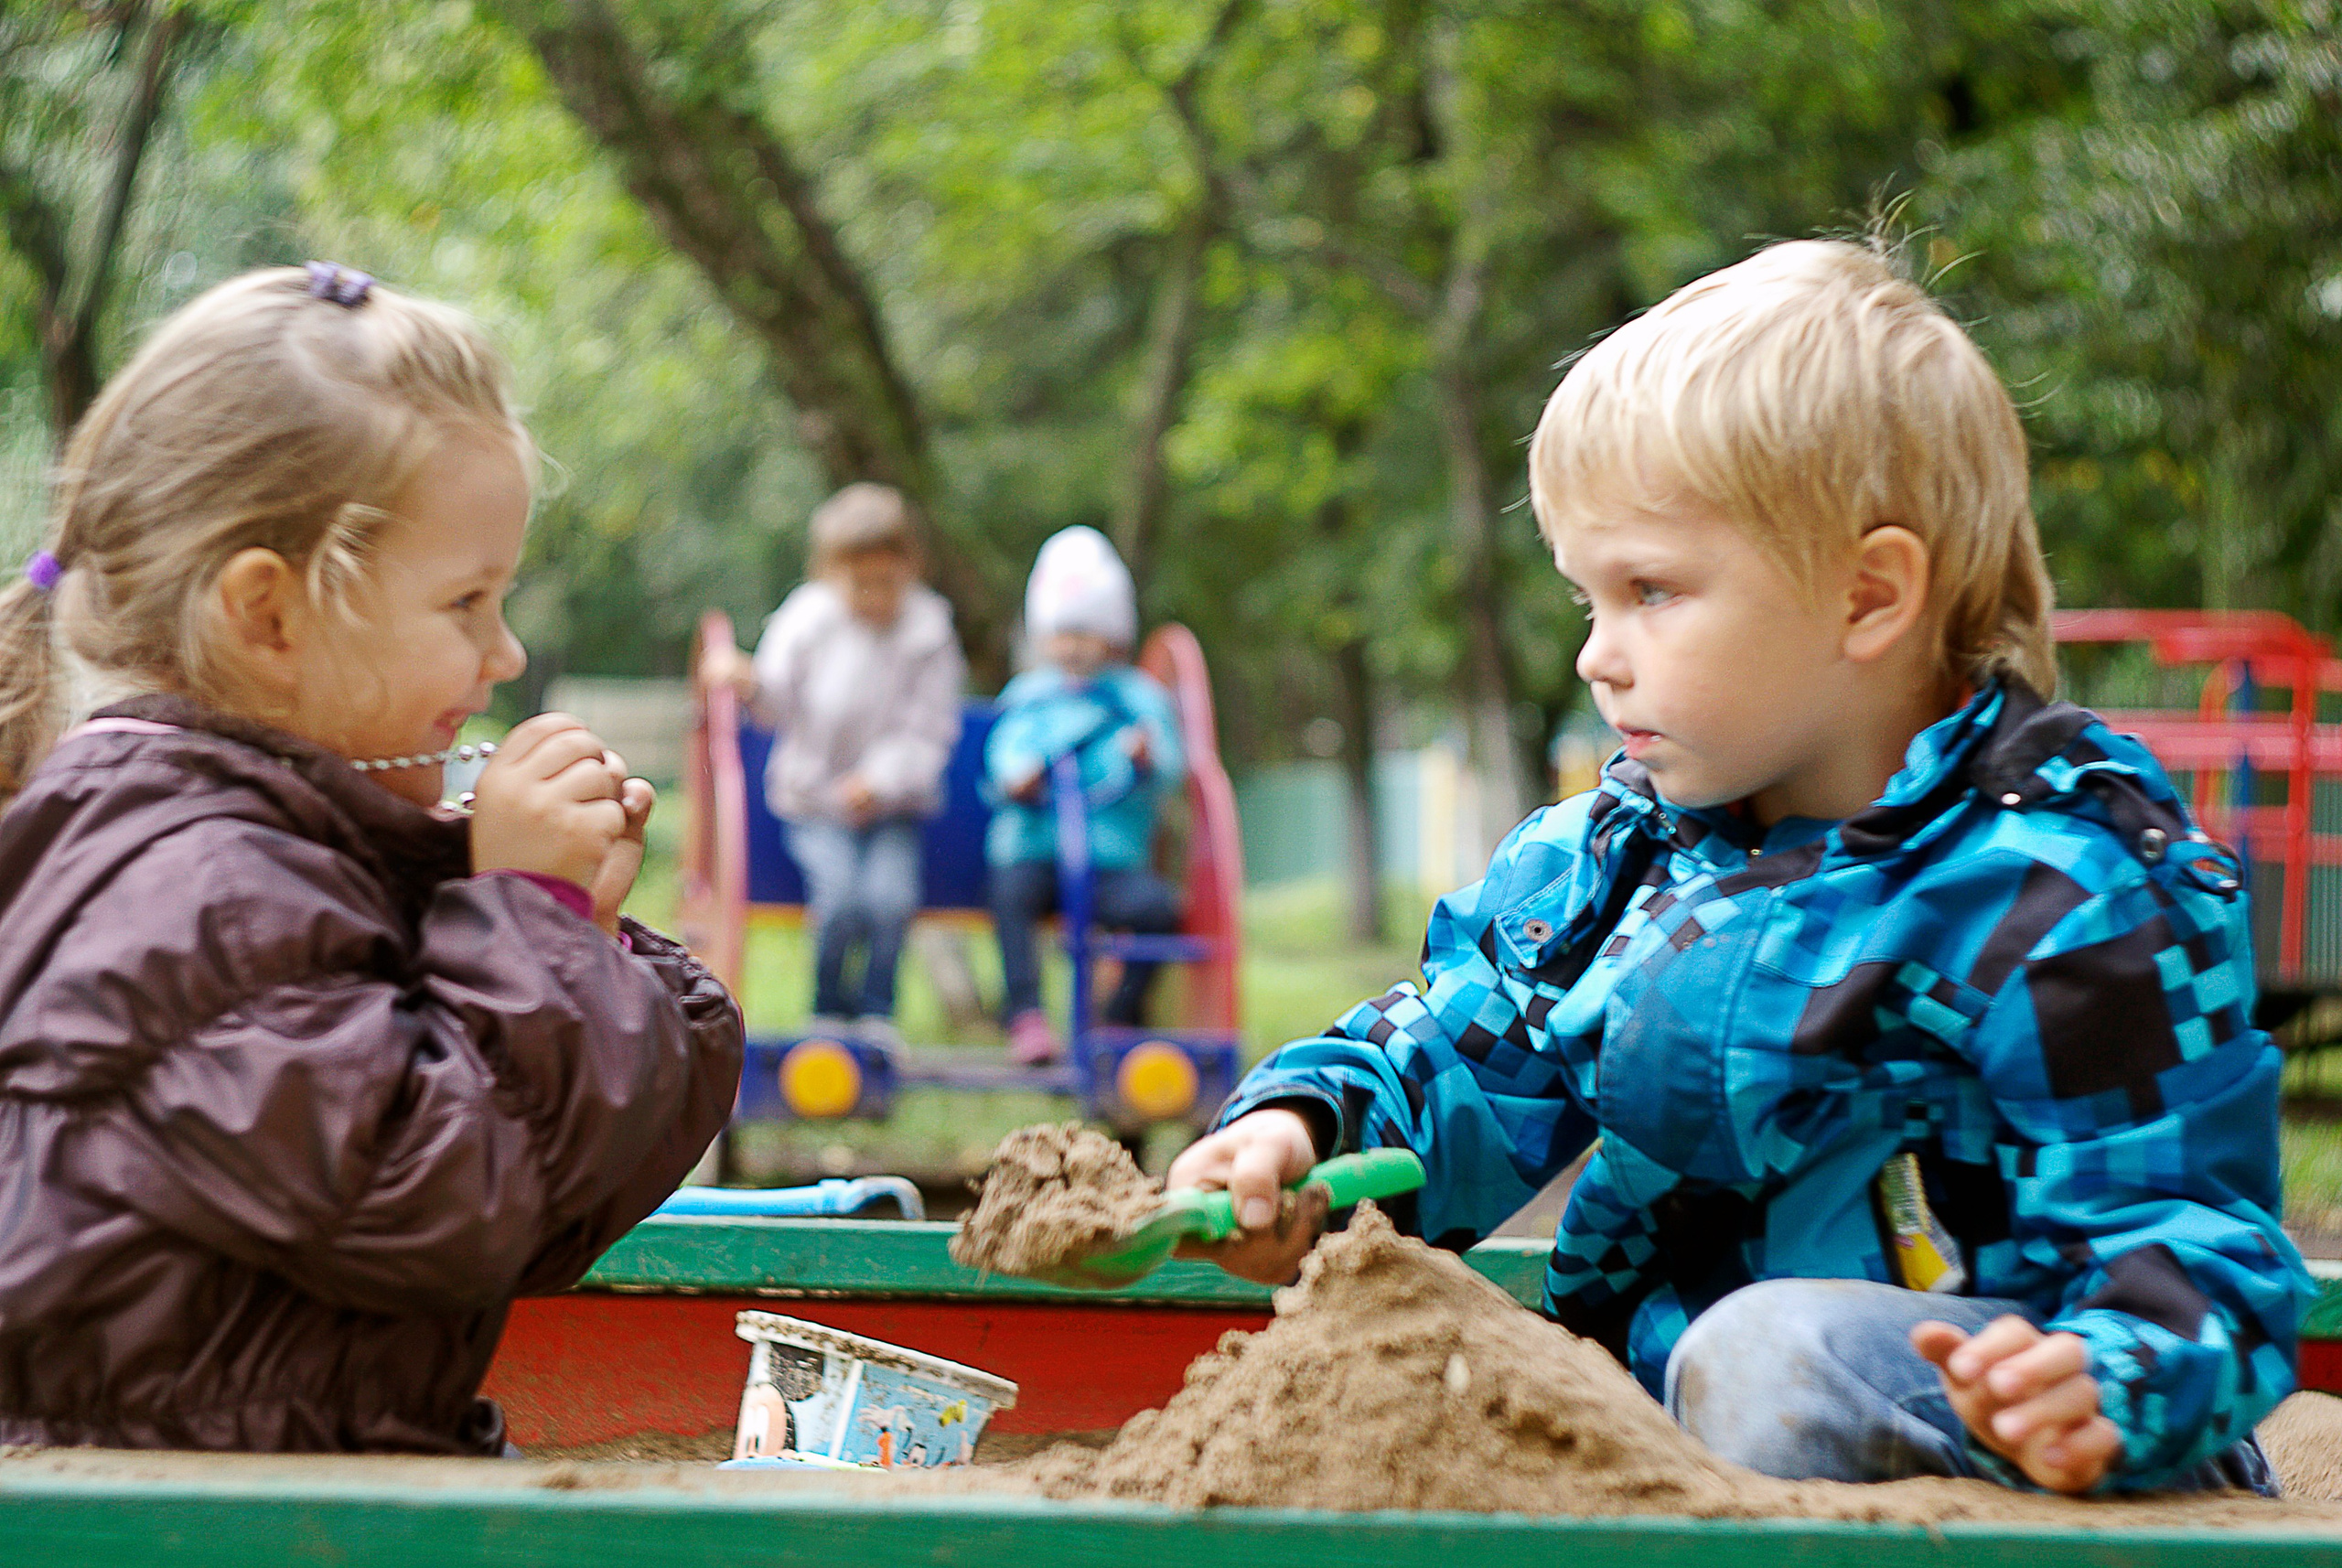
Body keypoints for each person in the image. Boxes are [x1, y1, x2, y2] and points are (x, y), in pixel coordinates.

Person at [1168, 240, 2309, 1498]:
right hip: (1668, 1426)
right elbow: (1453, 1055)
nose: (1601, 655)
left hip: (2022, 1443)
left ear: (1867, 596)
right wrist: (1305, 1127)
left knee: (1769, 1356)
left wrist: (2114, 1371)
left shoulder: (2062, 884)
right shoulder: (1621, 853)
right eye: (1586, 599)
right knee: (1426, 1357)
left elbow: (2183, 1233)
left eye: (1651, 590)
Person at [0, 263, 745, 1454]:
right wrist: (529, 919)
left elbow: (553, 1207)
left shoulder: (285, 857)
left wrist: (576, 931)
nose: (504, 652)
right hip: (176, 1525)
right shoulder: (187, 891)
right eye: (465, 602)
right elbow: (444, 1203)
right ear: (271, 615)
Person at [703, 484, 964, 1043]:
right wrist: (746, 680)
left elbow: (930, 728)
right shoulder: (807, 619)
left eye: (887, 583)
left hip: (894, 807)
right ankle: (827, 1012)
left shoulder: (929, 631)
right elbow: (774, 702)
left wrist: (881, 779)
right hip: (813, 801)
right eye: (859, 583)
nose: (873, 597)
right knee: (842, 899)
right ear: (830, 571)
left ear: (910, 568)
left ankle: (875, 1015)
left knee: (890, 900)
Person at [986, 526, 1185, 1065]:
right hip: (1035, 852)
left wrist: (1147, 757)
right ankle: (1025, 1014)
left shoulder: (1138, 697)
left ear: (1113, 636)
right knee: (1010, 898)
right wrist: (1018, 778)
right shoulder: (1030, 697)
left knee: (1157, 910)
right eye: (1062, 632)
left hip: (1110, 861)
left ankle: (1119, 1016)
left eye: (1087, 632)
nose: (1073, 645)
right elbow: (1004, 752)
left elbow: (1169, 763)